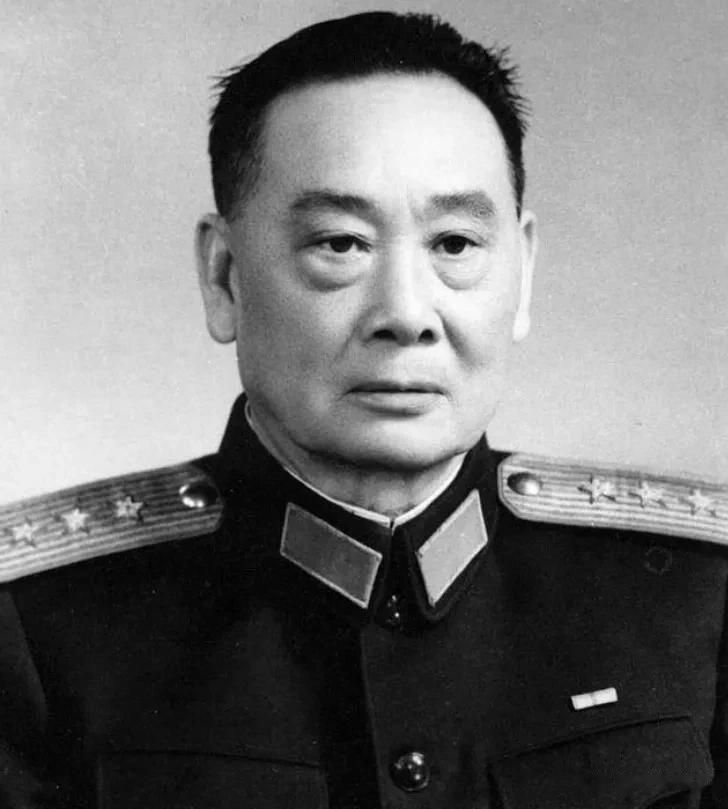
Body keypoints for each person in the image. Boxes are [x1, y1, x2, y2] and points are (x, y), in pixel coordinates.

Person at [0, 10, 726, 808]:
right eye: (341, 244)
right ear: (223, 277)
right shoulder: (35, 636)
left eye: (454, 244)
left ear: (522, 272)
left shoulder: (694, 600)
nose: (406, 314)